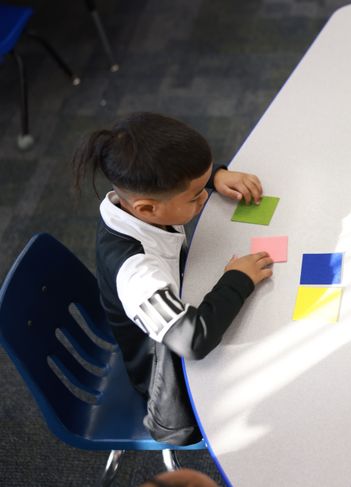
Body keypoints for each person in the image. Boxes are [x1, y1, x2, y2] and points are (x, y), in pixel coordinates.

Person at [73, 112, 274, 445]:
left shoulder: (136, 202)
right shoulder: (136, 274)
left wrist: (217, 176)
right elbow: (193, 341)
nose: (205, 198)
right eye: (195, 196)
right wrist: (238, 279)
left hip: (179, 305)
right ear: (147, 209)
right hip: (168, 387)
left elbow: (176, 188)